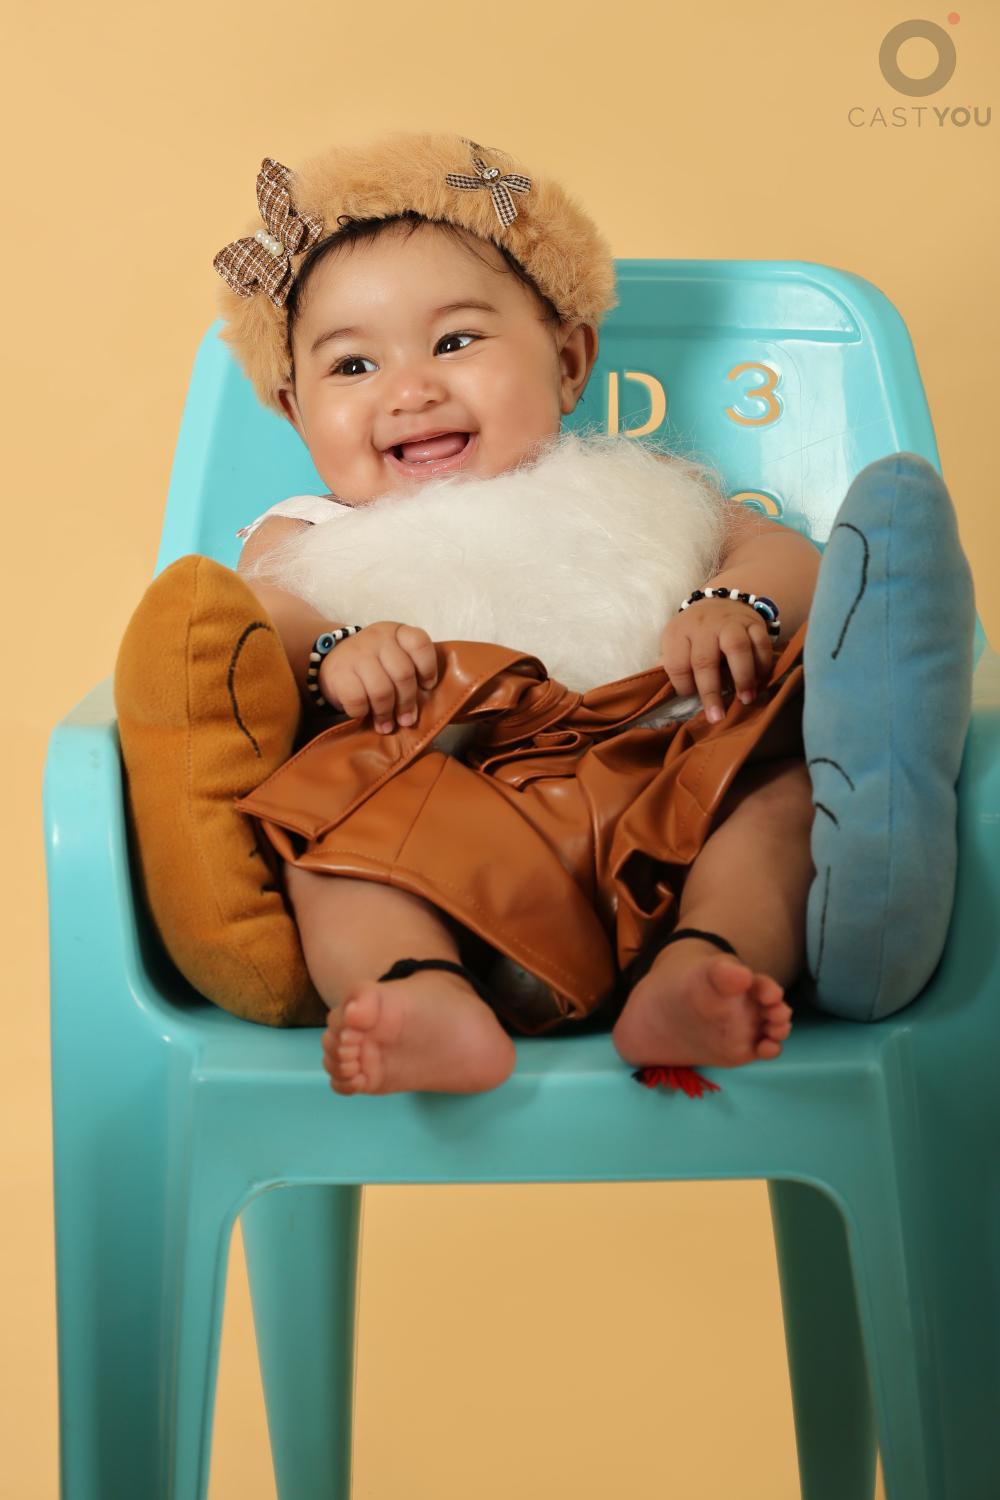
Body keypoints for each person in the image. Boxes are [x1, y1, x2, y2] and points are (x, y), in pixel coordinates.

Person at [213, 132, 820, 1098]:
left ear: (570, 362)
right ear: (294, 410)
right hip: (444, 830)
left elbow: (784, 553)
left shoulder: (635, 487)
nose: (410, 390)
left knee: (780, 792)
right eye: (353, 365)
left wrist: (734, 600)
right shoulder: (311, 530)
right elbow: (249, 617)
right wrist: (334, 646)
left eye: (456, 342)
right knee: (329, 844)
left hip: (659, 792)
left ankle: (705, 963)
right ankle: (417, 989)